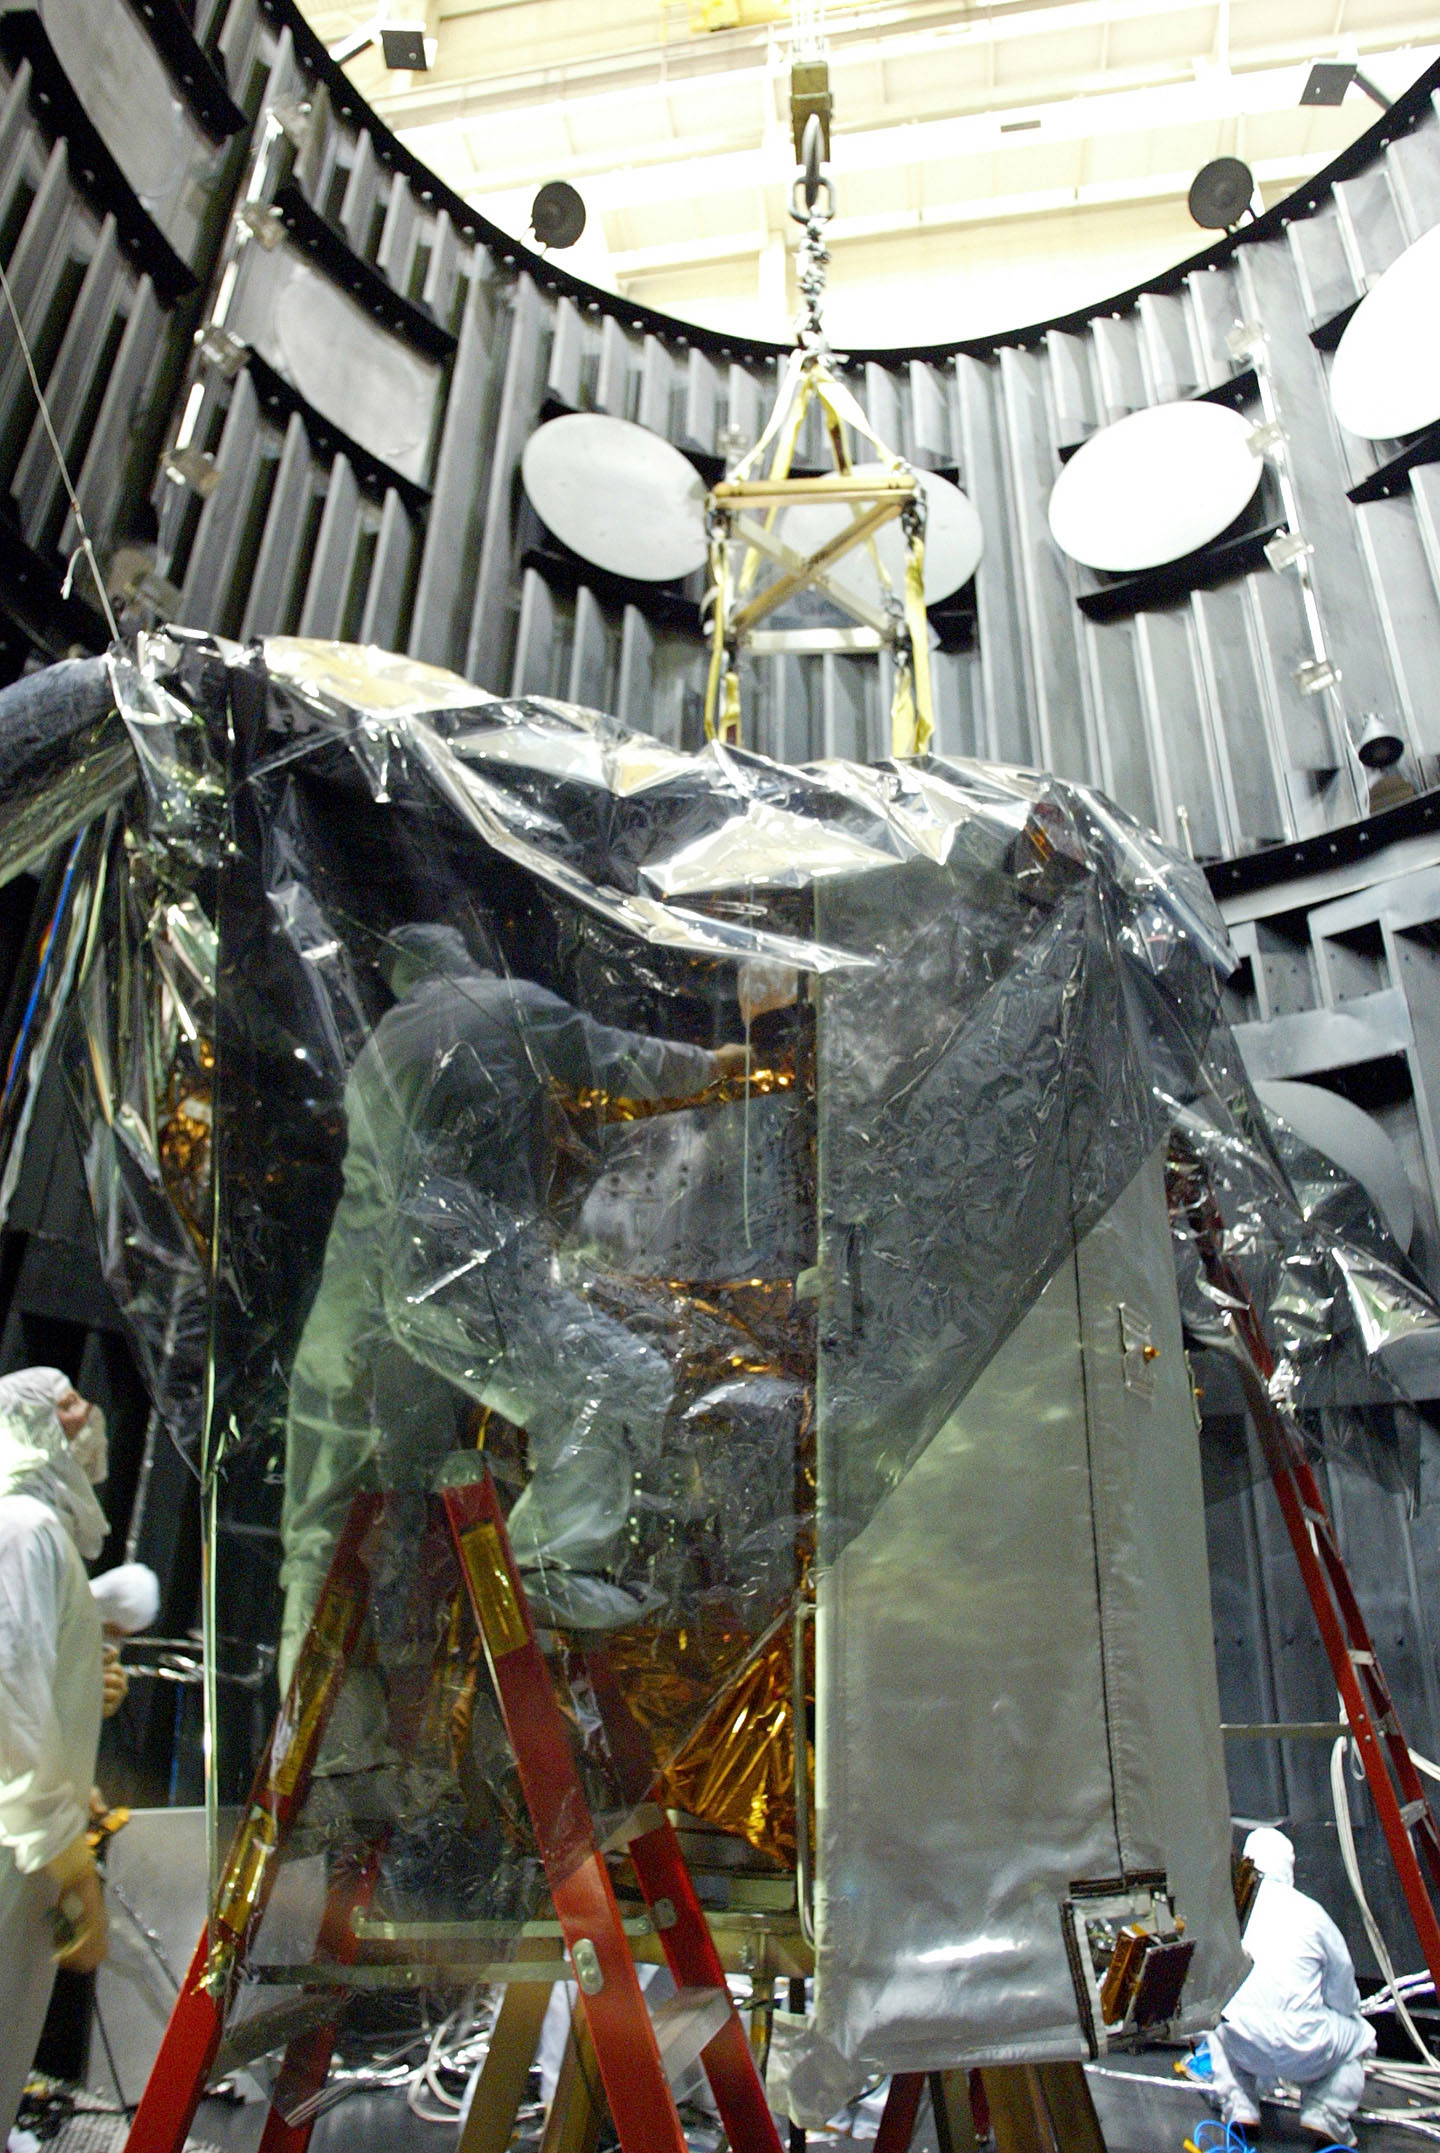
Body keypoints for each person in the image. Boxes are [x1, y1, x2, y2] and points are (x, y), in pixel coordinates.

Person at [280, 923, 757, 1679]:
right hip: (477, 1273)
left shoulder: (376, 1056)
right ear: (459, 953)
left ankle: (374, 1663)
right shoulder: (501, 1002)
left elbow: (370, 1201)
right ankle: (544, 1571)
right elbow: (614, 1054)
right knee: (623, 1377)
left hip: (405, 1288)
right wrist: (718, 1064)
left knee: (395, 1475)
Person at [0, 1369, 111, 2137]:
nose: (88, 1415)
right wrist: (73, 1872)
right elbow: (8, 1705)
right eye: (67, 1402)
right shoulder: (25, 1529)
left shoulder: (33, 1531)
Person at [1205, 1826, 1376, 2147]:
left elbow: (1211, 1983)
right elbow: (1343, 1989)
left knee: (1216, 2027)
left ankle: (1240, 2107)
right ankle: (1326, 2114)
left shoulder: (1228, 1913)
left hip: (1245, 2045)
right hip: (1307, 2048)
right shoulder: (1312, 1914)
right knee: (1361, 2036)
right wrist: (1344, 2015)